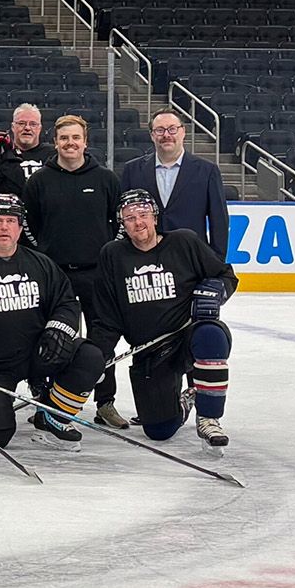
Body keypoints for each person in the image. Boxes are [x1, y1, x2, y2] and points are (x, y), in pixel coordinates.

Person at [0, 193, 103, 450]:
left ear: (20, 226)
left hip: (39, 354)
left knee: (90, 356)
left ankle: (53, 413)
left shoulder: (40, 263)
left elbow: (67, 302)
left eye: (11, 221)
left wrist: (57, 329)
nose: (4, 227)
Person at [88, 189, 237, 447]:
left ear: (155, 217)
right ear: (122, 224)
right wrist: (98, 355)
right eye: (130, 217)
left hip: (187, 337)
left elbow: (225, 275)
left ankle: (209, 418)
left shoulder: (184, 242)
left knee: (211, 334)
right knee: (159, 430)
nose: (138, 222)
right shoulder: (113, 255)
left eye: (143, 214)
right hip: (151, 351)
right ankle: (185, 400)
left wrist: (215, 292)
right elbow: (106, 316)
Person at [22, 114, 124, 425]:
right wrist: (44, 254)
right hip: (55, 275)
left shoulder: (106, 179)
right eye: (64, 138)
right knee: (52, 336)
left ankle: (105, 402)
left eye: (75, 137)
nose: (70, 143)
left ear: (85, 141)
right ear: (55, 142)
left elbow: (119, 223)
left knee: (101, 339)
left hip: (96, 275)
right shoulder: (39, 181)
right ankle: (49, 399)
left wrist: (107, 255)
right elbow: (28, 225)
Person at [120, 108, 230, 257]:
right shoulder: (132, 170)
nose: (166, 135)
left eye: (172, 129)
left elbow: (219, 221)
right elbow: (124, 216)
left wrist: (216, 261)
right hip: (145, 258)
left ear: (183, 132)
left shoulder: (207, 171)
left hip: (190, 258)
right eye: (160, 130)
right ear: (152, 135)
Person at [0, 103, 54, 195]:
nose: (27, 128)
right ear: (13, 127)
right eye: (21, 123)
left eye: (33, 124)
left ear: (40, 128)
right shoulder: (0, 155)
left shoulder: (53, 154)